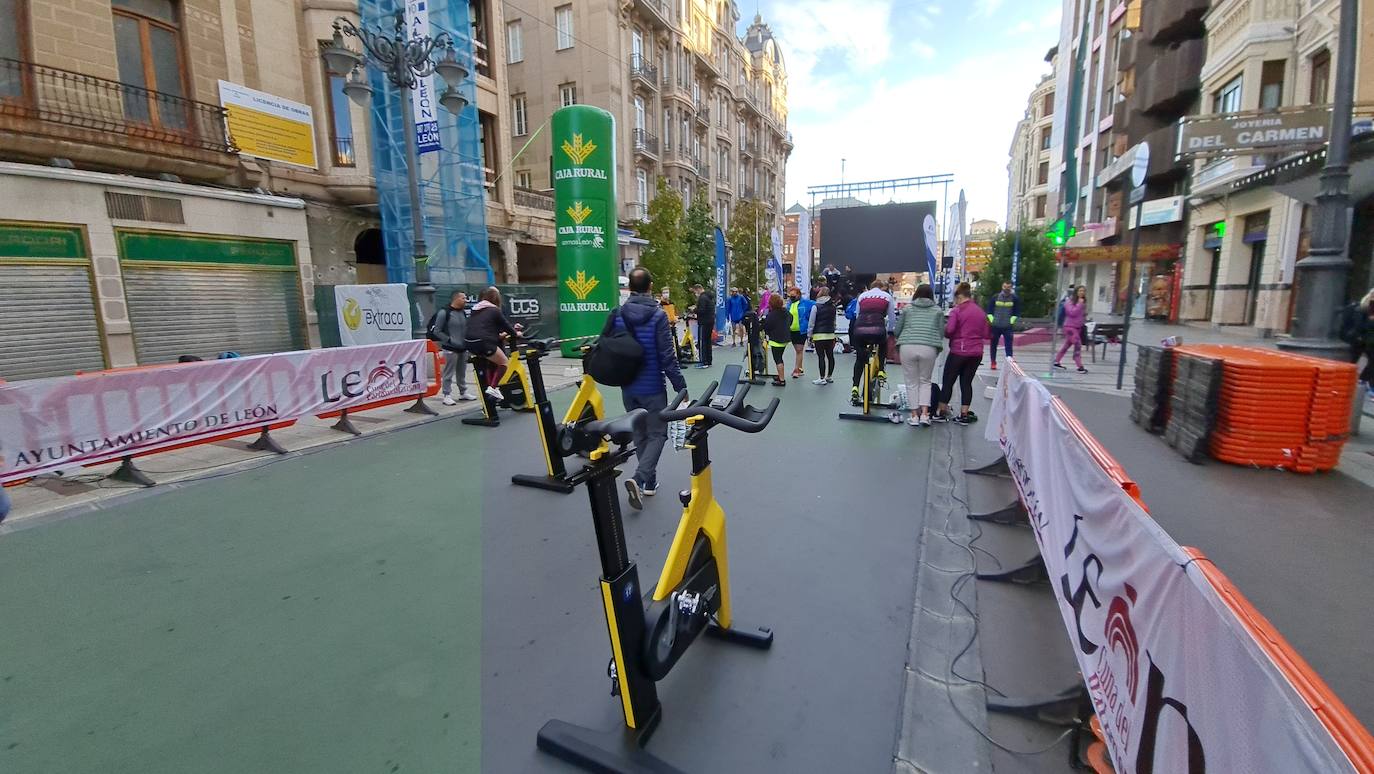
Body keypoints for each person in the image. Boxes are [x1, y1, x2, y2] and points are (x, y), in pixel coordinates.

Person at [611, 267, 689, 507]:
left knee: (640, 433)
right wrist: (681, 387)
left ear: (630, 288)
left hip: (628, 385)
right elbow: (667, 356)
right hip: (652, 385)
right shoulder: (658, 316)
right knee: (658, 433)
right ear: (650, 286)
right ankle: (639, 478)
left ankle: (649, 483)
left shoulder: (618, 314)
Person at [937, 282, 989, 426]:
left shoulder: (957, 311)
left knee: (948, 381)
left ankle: (941, 411)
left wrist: (946, 329)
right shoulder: (980, 311)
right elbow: (986, 333)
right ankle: (964, 414)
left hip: (959, 351)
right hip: (976, 353)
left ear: (959, 296)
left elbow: (949, 331)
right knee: (966, 383)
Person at [896, 284, 944, 426]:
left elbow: (898, 330)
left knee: (911, 382)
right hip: (929, 347)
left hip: (907, 345)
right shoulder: (937, 310)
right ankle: (924, 414)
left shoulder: (907, 309)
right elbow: (941, 332)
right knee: (925, 381)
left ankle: (914, 415)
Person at [465, 286, 521, 401]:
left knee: (491, 362)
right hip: (484, 342)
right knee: (504, 362)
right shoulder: (495, 310)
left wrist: (500, 335)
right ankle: (493, 388)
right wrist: (516, 334)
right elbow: (507, 328)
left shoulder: (476, 309)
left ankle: (490, 392)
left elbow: (485, 328)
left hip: (469, 342)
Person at [850, 279, 895, 405]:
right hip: (877, 328)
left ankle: (855, 386)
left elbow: (857, 313)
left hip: (860, 329)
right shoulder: (887, 296)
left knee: (860, 359)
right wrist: (891, 330)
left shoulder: (862, 296)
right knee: (883, 343)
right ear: (882, 287)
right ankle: (881, 370)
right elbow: (892, 317)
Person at [431, 290, 477, 404]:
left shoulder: (462, 312)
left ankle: (463, 392)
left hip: (463, 347)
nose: (465, 300)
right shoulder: (444, 312)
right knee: (448, 372)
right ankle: (447, 394)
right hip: (450, 348)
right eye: (463, 298)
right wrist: (449, 340)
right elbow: (437, 331)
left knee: (462, 371)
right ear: (456, 299)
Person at [1339, 287, 1374, 391]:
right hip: (1358, 339)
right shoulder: (1361, 308)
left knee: (1370, 361)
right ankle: (1347, 381)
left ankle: (1362, 380)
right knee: (1352, 360)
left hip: (1368, 340)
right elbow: (1359, 326)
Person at [1053, 285, 1090, 373]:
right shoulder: (1069, 302)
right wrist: (1080, 304)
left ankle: (1056, 361)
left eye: (1083, 291)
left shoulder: (1083, 302)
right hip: (1070, 327)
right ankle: (1079, 366)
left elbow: (1080, 314)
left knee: (1066, 346)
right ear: (1076, 292)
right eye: (1080, 291)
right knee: (1078, 345)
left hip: (1078, 327)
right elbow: (1071, 312)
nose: (1082, 293)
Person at [807, 283, 838, 385]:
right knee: (830, 356)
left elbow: (812, 322)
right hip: (830, 334)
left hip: (819, 335)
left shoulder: (816, 306)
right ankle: (829, 376)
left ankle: (821, 377)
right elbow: (834, 321)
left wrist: (809, 335)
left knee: (821, 356)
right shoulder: (833, 307)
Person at [985, 281, 1020, 371]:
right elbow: (989, 311)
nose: (1006, 289)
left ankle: (1010, 363)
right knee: (993, 345)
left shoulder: (1014, 299)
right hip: (995, 326)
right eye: (1004, 286)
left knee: (1009, 346)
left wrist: (1011, 322)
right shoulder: (995, 297)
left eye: (1008, 287)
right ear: (1002, 286)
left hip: (1007, 327)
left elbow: (1016, 312)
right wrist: (993, 321)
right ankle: (993, 362)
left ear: (1011, 288)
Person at [762, 292, 792, 386]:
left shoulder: (771, 315)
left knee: (778, 359)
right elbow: (791, 319)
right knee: (780, 357)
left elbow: (767, 326)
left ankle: (781, 379)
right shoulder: (786, 312)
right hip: (785, 338)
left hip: (776, 340)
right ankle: (780, 376)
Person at [786, 285, 815, 379]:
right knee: (798, 351)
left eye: (793, 295)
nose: (792, 297)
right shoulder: (789, 304)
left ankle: (796, 370)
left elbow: (817, 306)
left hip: (801, 330)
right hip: (791, 330)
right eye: (790, 295)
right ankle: (800, 367)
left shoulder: (806, 303)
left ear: (798, 295)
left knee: (799, 350)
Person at [692, 282, 715, 368]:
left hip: (704, 322)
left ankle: (703, 361)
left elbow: (701, 310)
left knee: (702, 342)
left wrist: (694, 310)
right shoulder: (709, 297)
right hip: (710, 321)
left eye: (695, 292)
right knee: (708, 341)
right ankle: (708, 360)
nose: (695, 294)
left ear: (698, 289)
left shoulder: (702, 298)